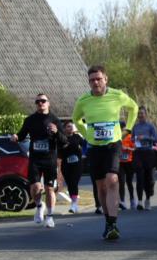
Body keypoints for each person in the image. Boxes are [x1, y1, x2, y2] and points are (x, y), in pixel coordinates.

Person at [72, 65, 138, 240]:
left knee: (113, 180)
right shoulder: (83, 100)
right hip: (94, 147)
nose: (95, 83)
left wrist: (129, 129)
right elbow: (76, 119)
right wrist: (86, 134)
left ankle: (114, 223)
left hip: (113, 144)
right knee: (100, 186)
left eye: (98, 79)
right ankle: (108, 222)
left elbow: (134, 108)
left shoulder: (117, 95)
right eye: (92, 80)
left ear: (105, 79)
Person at [12, 93, 65, 229]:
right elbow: (22, 134)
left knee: (49, 189)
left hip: (50, 159)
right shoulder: (30, 120)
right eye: (38, 101)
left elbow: (64, 140)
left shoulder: (55, 120)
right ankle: (39, 206)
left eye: (43, 101)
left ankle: (50, 216)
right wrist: (16, 137)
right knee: (35, 187)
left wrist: (56, 132)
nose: (40, 103)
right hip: (35, 158)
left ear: (48, 103)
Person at [132, 108, 157, 210]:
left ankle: (147, 199)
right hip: (138, 153)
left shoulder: (150, 126)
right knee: (139, 178)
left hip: (149, 153)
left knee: (149, 179)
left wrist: (144, 137)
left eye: (142, 113)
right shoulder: (135, 126)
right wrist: (134, 139)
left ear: (146, 114)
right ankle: (139, 201)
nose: (140, 115)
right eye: (139, 114)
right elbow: (132, 138)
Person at [59, 121, 85, 213]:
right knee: (70, 184)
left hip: (77, 164)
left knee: (74, 182)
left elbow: (85, 145)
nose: (71, 128)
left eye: (72, 126)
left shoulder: (77, 137)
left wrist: (83, 151)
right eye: (68, 126)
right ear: (64, 128)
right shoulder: (61, 138)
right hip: (66, 164)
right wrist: (64, 147)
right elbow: (58, 152)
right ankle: (74, 203)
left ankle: (74, 204)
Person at [118, 124, 136, 210]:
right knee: (121, 182)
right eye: (121, 129)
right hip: (120, 162)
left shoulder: (130, 136)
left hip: (129, 162)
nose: (123, 131)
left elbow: (135, 148)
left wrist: (128, 148)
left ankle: (132, 200)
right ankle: (122, 201)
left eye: (124, 129)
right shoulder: (117, 137)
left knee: (129, 182)